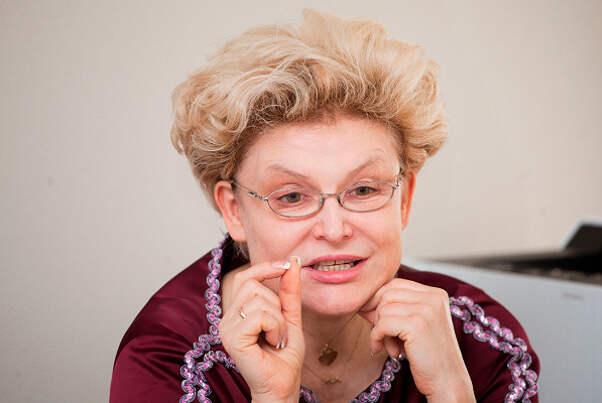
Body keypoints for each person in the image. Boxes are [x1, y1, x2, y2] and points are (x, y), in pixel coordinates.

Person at [111, 9, 540, 403]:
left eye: (364, 190)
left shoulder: (483, 344)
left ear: (405, 198)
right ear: (234, 210)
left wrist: (451, 390)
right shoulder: (167, 357)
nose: (334, 230)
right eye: (291, 196)